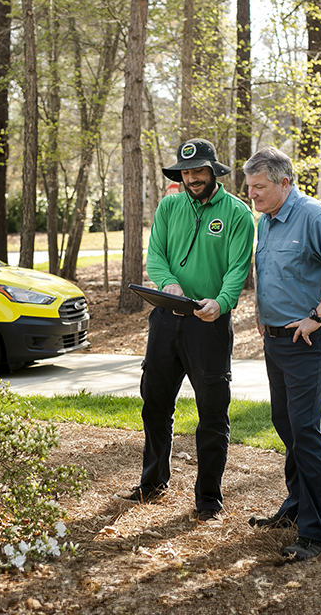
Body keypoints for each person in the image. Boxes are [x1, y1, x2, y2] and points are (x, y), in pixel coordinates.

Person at [117, 138, 254, 522]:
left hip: (208, 326)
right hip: (165, 320)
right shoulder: (169, 206)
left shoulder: (237, 214)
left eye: (199, 171)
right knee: (155, 404)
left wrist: (221, 302)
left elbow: (237, 269)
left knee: (213, 412)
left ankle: (209, 498)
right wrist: (167, 283)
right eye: (186, 172)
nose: (192, 177)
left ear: (214, 172)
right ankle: (153, 482)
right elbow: (155, 256)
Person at [243, 147, 321, 560]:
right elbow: (273, 272)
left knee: (306, 432)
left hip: (309, 343)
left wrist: (317, 315)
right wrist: (262, 313)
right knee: (287, 425)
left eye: (259, 187)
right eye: (249, 187)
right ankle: (296, 508)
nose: (252, 195)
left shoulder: (313, 215)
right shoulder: (268, 219)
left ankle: (315, 533)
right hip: (276, 341)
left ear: (284, 183)